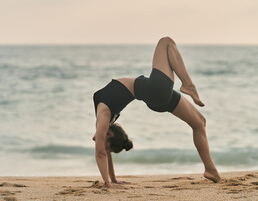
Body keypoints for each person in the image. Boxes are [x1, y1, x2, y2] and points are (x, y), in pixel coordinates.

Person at [92, 37, 221, 188]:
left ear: (110, 134)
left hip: (155, 97)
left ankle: (210, 169)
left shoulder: (104, 119)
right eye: (106, 146)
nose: (97, 143)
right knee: (166, 42)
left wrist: (111, 180)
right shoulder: (105, 118)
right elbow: (102, 152)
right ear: (110, 134)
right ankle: (188, 84)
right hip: (155, 91)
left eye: (106, 146)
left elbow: (103, 151)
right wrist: (108, 182)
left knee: (199, 122)